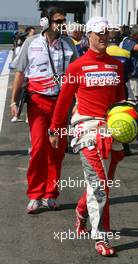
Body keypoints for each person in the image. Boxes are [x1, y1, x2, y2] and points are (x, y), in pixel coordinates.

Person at [49, 16, 125, 256]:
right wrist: (55, 129)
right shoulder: (76, 66)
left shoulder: (117, 65)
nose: (103, 36)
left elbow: (120, 101)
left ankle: (82, 210)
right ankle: (102, 236)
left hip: (112, 129)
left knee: (104, 184)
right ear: (89, 35)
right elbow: (63, 102)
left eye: (107, 33)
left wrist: (129, 122)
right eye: (99, 33)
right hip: (87, 130)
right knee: (100, 184)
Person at [10, 6, 78, 213]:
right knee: (39, 148)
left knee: (57, 150)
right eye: (58, 21)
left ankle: (51, 194)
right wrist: (14, 102)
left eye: (63, 20)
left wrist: (77, 104)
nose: (62, 24)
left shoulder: (68, 44)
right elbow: (20, 73)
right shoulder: (31, 43)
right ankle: (35, 195)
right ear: (46, 22)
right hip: (37, 102)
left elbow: (76, 75)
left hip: (61, 104)